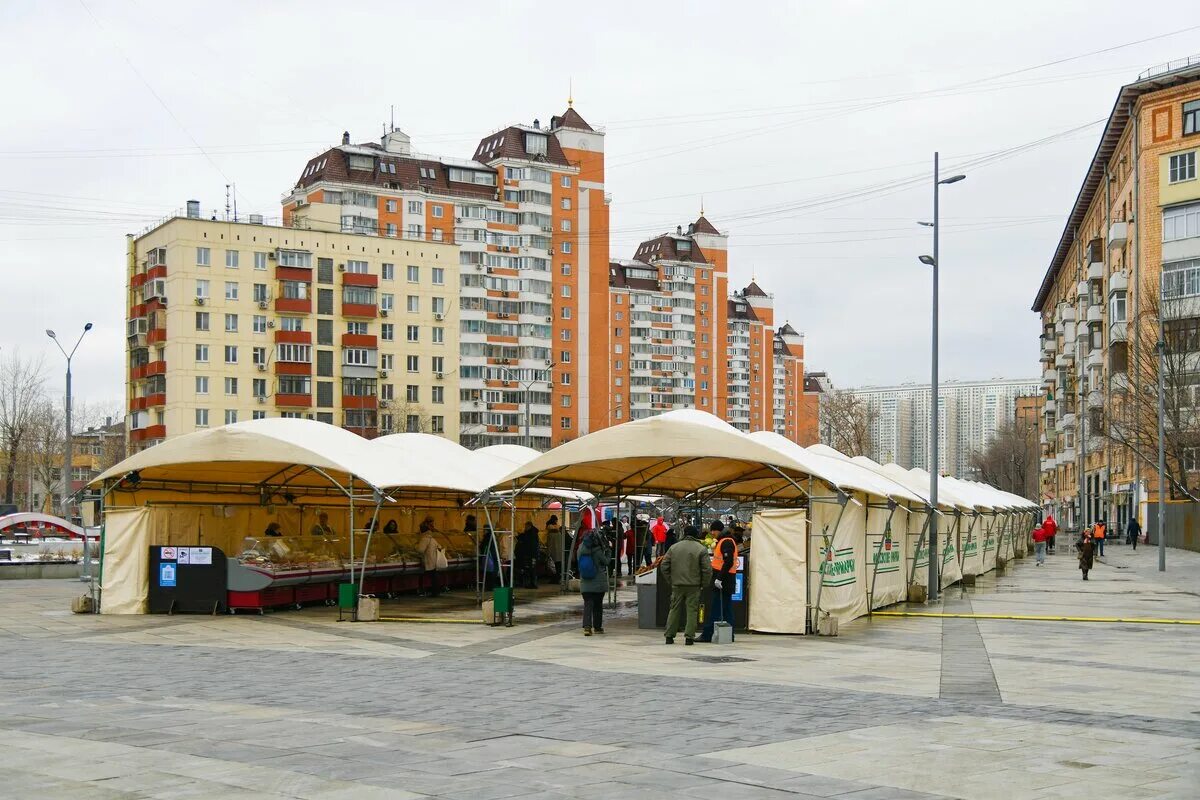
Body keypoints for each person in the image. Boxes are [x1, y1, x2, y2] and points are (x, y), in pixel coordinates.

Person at [661, 525, 712, 646]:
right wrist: (703, 584)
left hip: (677, 585)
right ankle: (689, 637)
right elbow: (707, 569)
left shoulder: (674, 548)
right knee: (692, 611)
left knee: (674, 609)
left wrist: (671, 580)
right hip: (694, 586)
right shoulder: (701, 549)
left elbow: (664, 566)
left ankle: (669, 636)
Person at [699, 525, 742, 643]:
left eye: (714, 530)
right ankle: (729, 635)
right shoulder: (727, 540)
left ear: (719, 530)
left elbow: (727, 562)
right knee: (727, 609)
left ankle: (707, 634)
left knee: (716, 609)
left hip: (723, 581)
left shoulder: (726, 542)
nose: (712, 533)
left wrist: (719, 578)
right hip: (728, 580)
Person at [576, 526, 611, 635]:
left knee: (588, 604)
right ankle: (597, 627)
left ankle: (587, 627)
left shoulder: (580, 549)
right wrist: (609, 551)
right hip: (598, 582)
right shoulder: (598, 550)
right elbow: (606, 562)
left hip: (585, 582)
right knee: (598, 605)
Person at [417, 517, 446, 596]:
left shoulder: (424, 538)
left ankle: (433, 592)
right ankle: (436, 591)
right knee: (434, 576)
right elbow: (439, 546)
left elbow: (420, 550)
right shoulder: (431, 538)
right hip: (434, 559)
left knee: (432, 577)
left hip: (429, 560)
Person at [516, 521, 540, 589]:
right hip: (533, 554)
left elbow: (527, 543)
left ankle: (532, 583)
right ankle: (532, 583)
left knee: (531, 569)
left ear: (529, 526)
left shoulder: (530, 534)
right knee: (532, 568)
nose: (525, 528)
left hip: (531, 554)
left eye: (526, 526)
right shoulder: (532, 533)